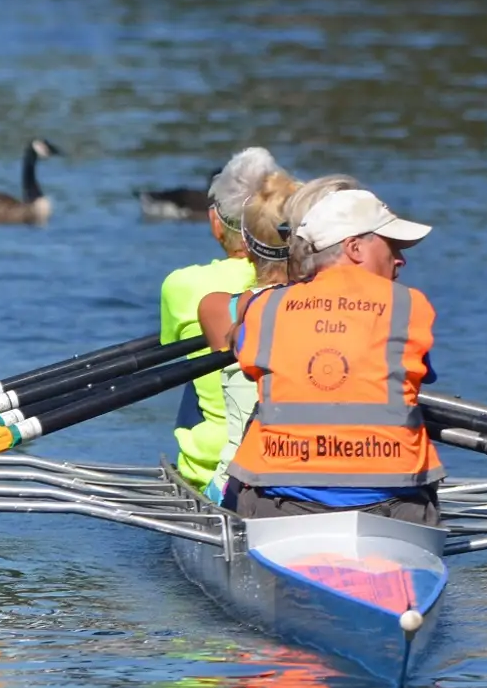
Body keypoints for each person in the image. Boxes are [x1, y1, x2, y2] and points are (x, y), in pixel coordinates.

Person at [221, 187, 443, 525]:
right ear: (354, 247)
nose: (401, 259)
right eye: (392, 246)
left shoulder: (265, 307)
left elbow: (245, 352)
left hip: (280, 496)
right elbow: (415, 371)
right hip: (392, 498)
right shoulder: (410, 304)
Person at [196, 174, 360, 504]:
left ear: (244, 239)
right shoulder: (347, 308)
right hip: (338, 477)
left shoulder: (217, 308)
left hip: (238, 482)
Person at [159, 147, 288, 491]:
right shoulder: (311, 283)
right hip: (294, 455)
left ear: (215, 222)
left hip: (213, 463)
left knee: (196, 370)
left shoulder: (182, 285)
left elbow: (170, 349)